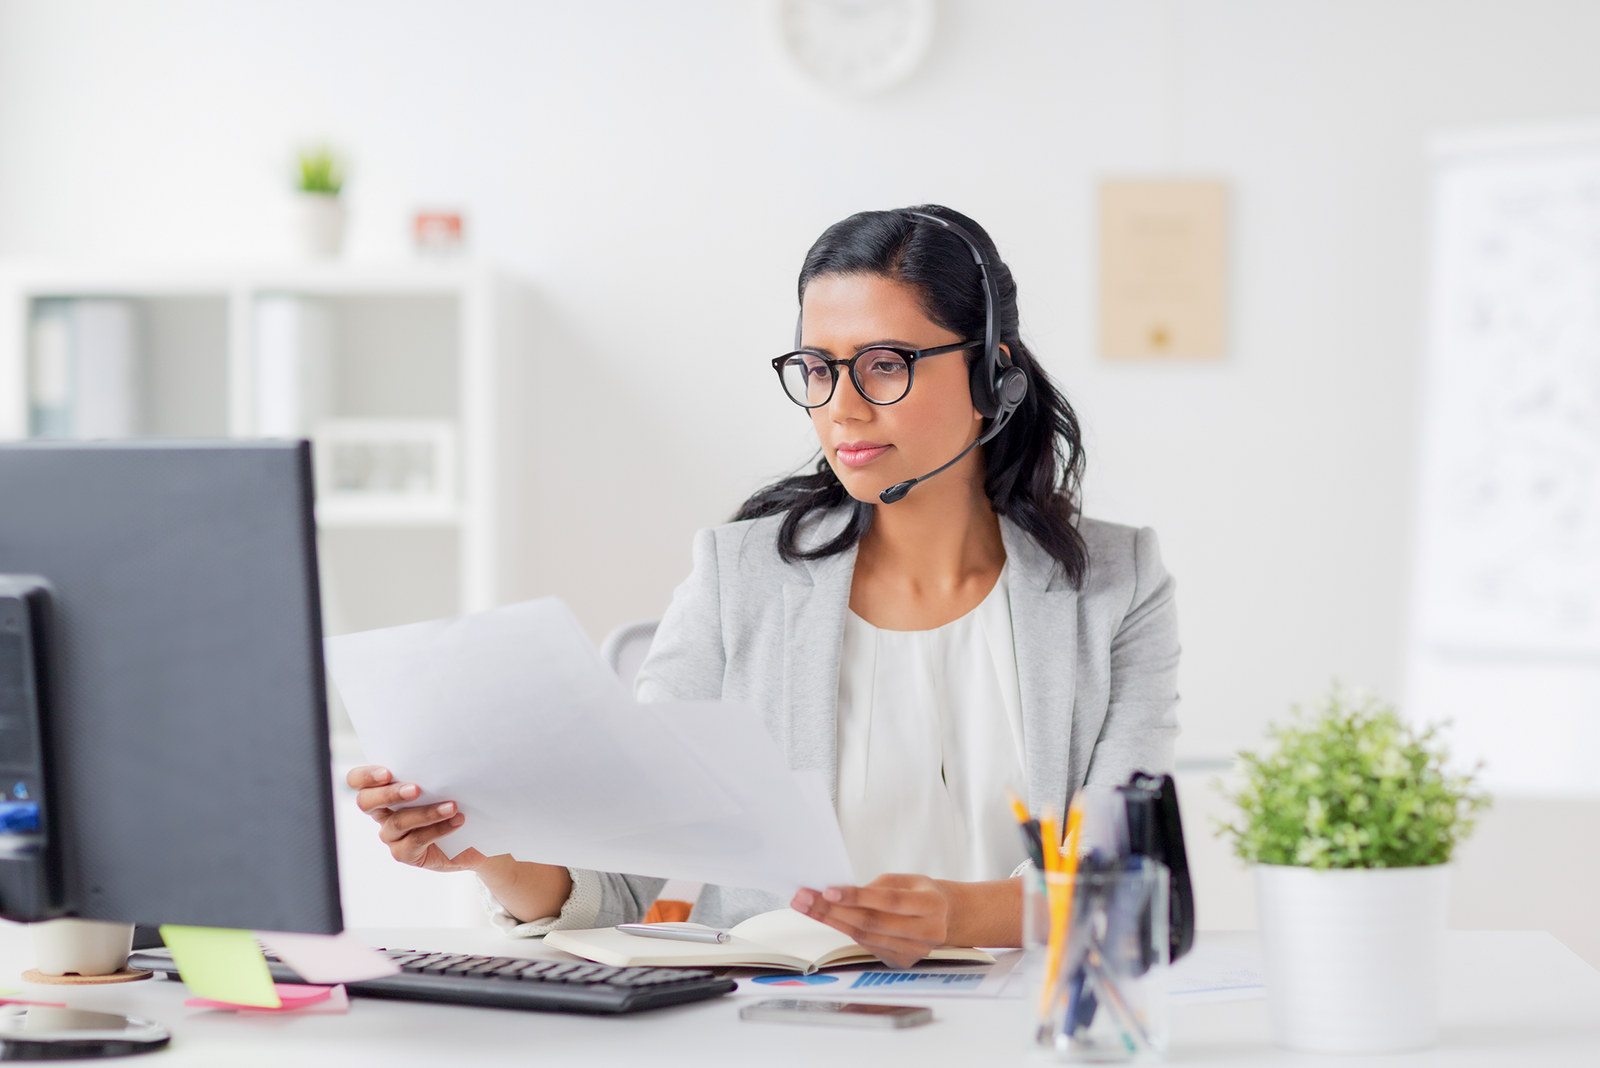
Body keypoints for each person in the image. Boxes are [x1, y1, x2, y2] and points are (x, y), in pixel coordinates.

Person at [347, 205, 1180, 969]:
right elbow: (626, 883)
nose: (842, 408)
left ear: (993, 376)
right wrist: (492, 855)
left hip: (1031, 1027)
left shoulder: (1116, 586)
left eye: (885, 365)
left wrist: (961, 915)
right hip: (782, 1027)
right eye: (819, 368)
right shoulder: (736, 578)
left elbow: (1127, 879)